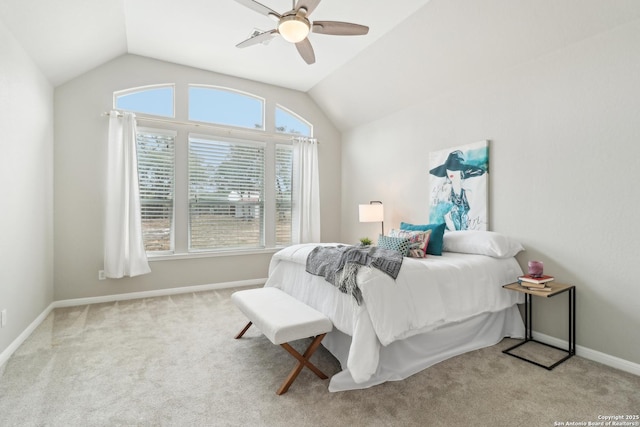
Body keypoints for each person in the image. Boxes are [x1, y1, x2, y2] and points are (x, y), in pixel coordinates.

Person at [429, 150, 486, 230]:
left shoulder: (467, 194)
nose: (451, 171)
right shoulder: (446, 196)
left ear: (462, 172)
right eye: (449, 168)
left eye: (456, 169)